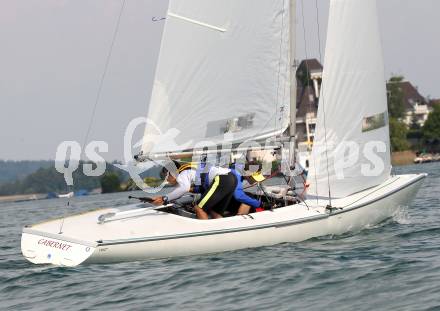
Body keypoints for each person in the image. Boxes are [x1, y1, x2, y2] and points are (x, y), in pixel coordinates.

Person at [152, 161, 263, 220]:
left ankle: (206, 236)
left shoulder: (182, 173)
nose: (166, 180)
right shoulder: (189, 171)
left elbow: (183, 188)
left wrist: (165, 198)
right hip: (226, 179)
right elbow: (201, 186)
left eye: (166, 177)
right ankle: (220, 232)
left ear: (171, 173)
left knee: (199, 208)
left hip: (223, 179)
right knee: (214, 212)